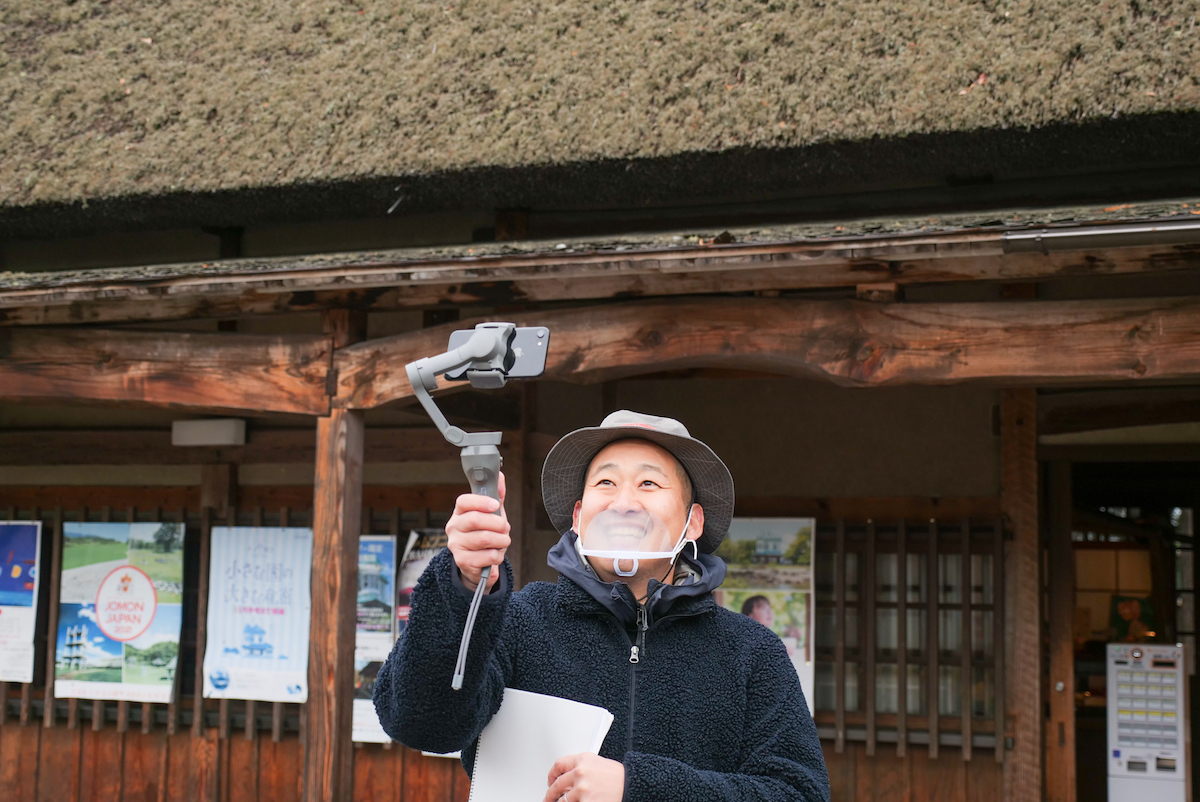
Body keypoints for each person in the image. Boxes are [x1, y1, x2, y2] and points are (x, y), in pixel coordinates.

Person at [374, 410, 830, 802]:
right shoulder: (519, 620)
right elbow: (419, 724)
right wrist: (464, 585)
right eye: (606, 482)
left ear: (693, 521)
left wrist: (638, 787)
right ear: (578, 517)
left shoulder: (751, 652)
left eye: (649, 483)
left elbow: (799, 792)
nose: (624, 503)